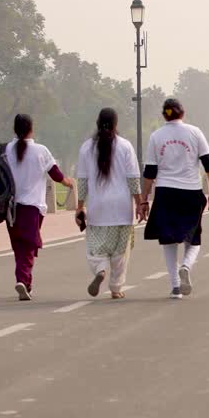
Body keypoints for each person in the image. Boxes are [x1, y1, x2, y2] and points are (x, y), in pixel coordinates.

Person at [141, 98, 209, 300]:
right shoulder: (194, 132)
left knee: (168, 240)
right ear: (182, 113)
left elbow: (149, 173)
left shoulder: (156, 136)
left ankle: (175, 287)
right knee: (193, 237)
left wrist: (143, 200)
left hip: (165, 192)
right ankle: (186, 265)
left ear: (164, 115)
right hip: (191, 191)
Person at [3, 114, 73, 301]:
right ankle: (23, 281)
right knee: (28, 246)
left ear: (14, 129)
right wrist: (69, 183)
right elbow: (56, 175)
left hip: (10, 208)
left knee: (20, 245)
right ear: (31, 129)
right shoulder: (41, 151)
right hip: (32, 207)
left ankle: (25, 281)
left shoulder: (4, 150)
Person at [75, 108, 142, 299]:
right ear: (115, 124)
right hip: (121, 208)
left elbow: (82, 181)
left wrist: (80, 207)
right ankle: (116, 288)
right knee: (121, 251)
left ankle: (100, 269)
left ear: (97, 123)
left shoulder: (86, 147)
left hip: (98, 208)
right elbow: (133, 179)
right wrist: (140, 203)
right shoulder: (125, 146)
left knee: (96, 248)